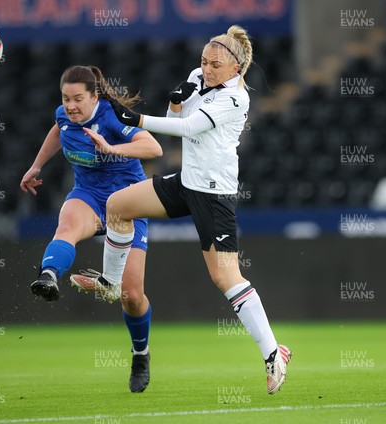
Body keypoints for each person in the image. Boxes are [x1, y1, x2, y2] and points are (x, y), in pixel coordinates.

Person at [70, 26, 293, 395]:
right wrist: (175, 102)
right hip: (187, 182)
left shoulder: (236, 98)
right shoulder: (196, 77)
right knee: (117, 206)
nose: (206, 68)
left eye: (215, 64)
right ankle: (111, 283)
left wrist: (134, 119)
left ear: (236, 67)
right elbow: (176, 118)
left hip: (213, 194)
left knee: (225, 277)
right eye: (203, 61)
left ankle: (273, 354)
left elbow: (187, 128)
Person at [20, 65, 162, 392]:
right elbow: (59, 128)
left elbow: (154, 148)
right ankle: (49, 276)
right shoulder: (64, 113)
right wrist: (37, 164)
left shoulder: (112, 117)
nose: (70, 105)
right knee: (66, 225)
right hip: (88, 197)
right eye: (65, 98)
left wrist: (112, 148)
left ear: (94, 96)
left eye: (78, 99)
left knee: (131, 296)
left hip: (126, 204)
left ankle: (140, 353)